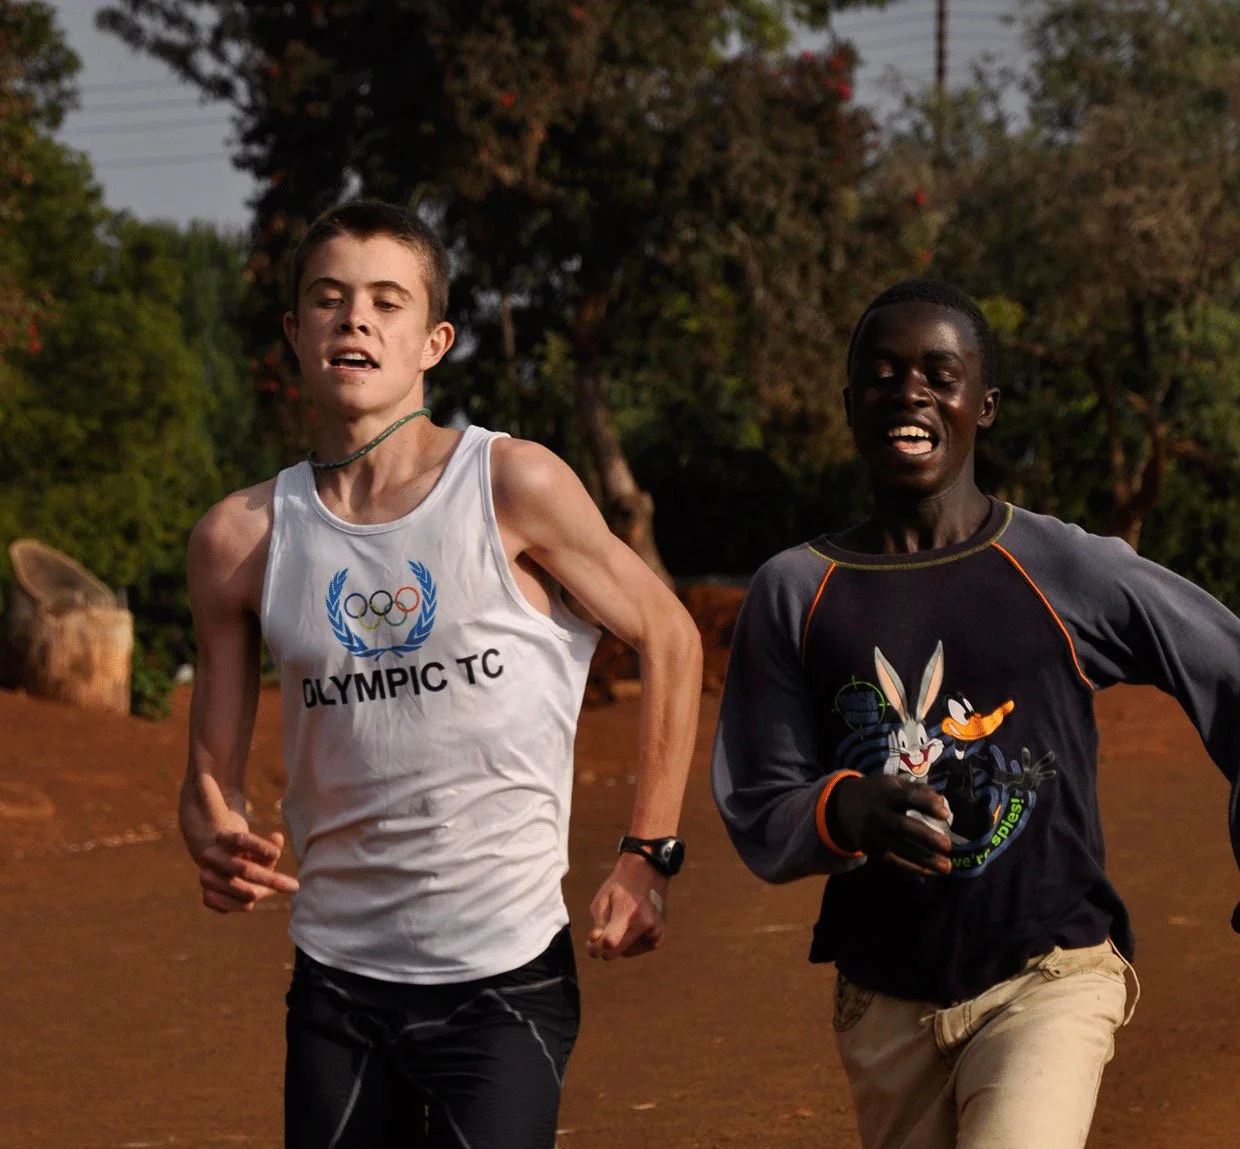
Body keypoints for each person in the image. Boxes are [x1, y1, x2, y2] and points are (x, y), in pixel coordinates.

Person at [181, 198, 702, 1149]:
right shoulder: (239, 539)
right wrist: (211, 825)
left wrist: (648, 852)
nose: (356, 319)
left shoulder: (510, 483)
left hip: (501, 975)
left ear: (434, 340)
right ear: (295, 333)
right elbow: (207, 778)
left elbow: (669, 633)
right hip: (337, 981)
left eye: (388, 301)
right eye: (330, 300)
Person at [711, 278, 1240, 1149]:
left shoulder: (1060, 565)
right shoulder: (797, 590)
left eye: (938, 372)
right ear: (850, 405)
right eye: (881, 373)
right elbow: (762, 796)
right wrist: (847, 805)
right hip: (883, 1003)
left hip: (1048, 974)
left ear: (981, 406)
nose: (909, 390)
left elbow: (1228, 669)